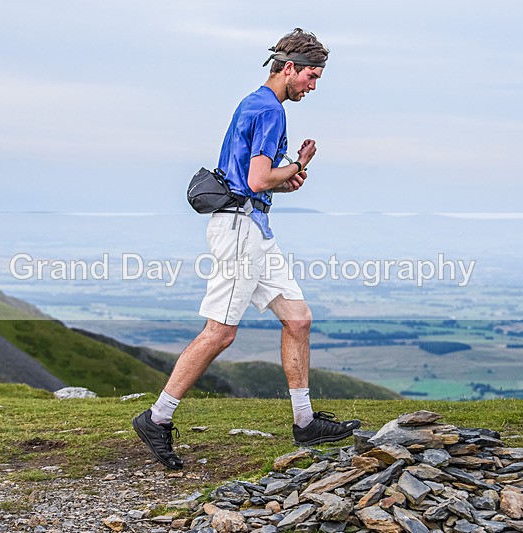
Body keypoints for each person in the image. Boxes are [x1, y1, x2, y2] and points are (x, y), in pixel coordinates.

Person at [133, 28, 360, 470]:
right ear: (289, 67)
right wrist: (293, 167)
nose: (313, 86)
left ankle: (305, 422)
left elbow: (256, 180)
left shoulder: (254, 103)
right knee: (220, 332)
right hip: (240, 230)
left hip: (253, 224)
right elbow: (257, 180)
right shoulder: (270, 110)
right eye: (312, 76)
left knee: (298, 319)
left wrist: (289, 175)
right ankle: (156, 418)